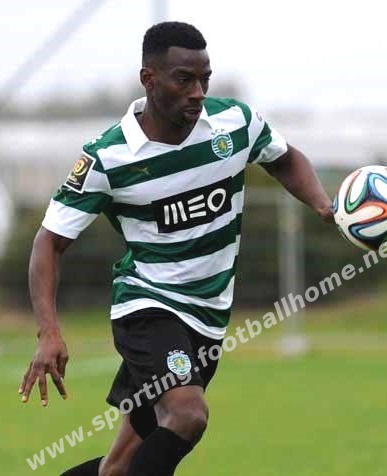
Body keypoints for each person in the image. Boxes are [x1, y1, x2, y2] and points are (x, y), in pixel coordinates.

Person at [19, 21, 334, 476]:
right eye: (183, 79)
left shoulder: (235, 124)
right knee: (187, 414)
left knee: (119, 466)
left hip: (208, 318)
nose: (197, 92)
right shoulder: (109, 157)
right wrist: (49, 331)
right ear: (148, 79)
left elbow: (285, 159)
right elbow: (49, 242)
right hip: (149, 308)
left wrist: (323, 204)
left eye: (204, 79)